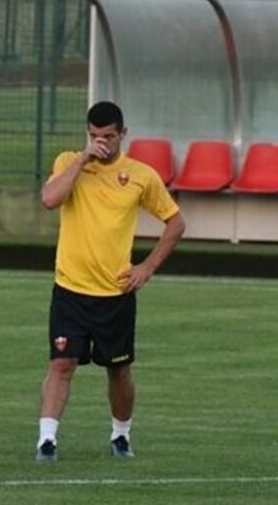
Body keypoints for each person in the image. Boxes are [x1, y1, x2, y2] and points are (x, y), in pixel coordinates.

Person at [35, 101, 185, 463]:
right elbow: (50, 199)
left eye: (108, 136)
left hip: (115, 293)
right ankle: (46, 440)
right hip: (70, 289)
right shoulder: (69, 162)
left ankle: (121, 434)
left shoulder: (140, 175)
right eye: (94, 135)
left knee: (118, 369)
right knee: (62, 364)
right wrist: (81, 161)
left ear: (123, 134)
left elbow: (176, 223)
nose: (101, 142)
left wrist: (146, 267)